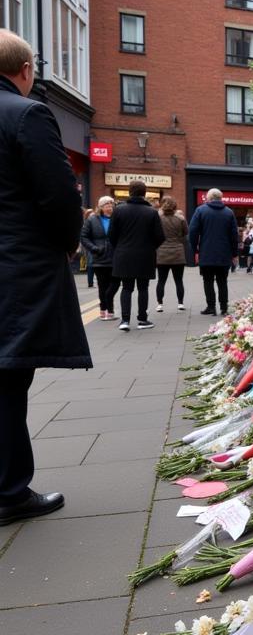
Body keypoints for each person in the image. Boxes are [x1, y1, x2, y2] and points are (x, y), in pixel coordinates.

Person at [0, 30, 91, 525]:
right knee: (9, 378)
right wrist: (67, 240)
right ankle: (10, 492)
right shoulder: (27, 113)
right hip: (15, 271)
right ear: (26, 71)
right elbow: (58, 196)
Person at [109, 181, 165, 330]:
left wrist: (120, 247)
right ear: (144, 193)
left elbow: (111, 235)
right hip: (145, 255)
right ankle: (142, 320)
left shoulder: (119, 210)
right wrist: (150, 247)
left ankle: (125, 321)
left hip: (123, 254)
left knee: (126, 288)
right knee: (143, 287)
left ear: (129, 192)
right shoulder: (151, 212)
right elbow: (160, 237)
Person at [189, 187, 238, 315]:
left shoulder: (200, 210)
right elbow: (234, 235)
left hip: (206, 252)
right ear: (220, 198)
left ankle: (211, 306)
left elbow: (193, 232)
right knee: (223, 281)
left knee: (208, 280)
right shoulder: (229, 212)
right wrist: (234, 253)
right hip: (224, 253)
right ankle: (224, 307)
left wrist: (194, 249)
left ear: (209, 198)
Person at [81, 196, 119, 319]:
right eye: (107, 205)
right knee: (103, 286)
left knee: (115, 283)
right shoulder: (92, 220)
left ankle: (107, 305)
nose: (110, 207)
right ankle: (106, 311)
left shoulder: (117, 219)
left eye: (111, 205)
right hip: (99, 258)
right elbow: (84, 237)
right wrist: (94, 249)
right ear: (101, 207)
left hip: (115, 257)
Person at [155, 196, 188, 312]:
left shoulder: (158, 218)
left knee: (161, 280)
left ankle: (160, 304)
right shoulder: (180, 219)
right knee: (179, 280)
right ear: (175, 206)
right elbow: (186, 233)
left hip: (162, 253)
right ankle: (180, 303)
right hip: (178, 252)